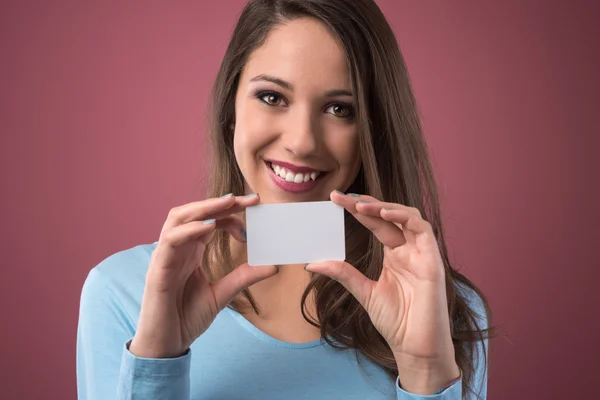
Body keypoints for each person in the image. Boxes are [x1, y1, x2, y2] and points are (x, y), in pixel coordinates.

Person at [76, 0, 494, 398]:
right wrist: (156, 359)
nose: (301, 142)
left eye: (339, 109)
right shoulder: (120, 292)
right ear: (231, 106)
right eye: (272, 97)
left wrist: (426, 371)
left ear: (375, 128)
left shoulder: (441, 307)